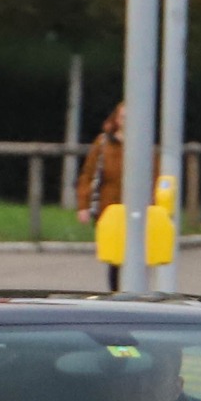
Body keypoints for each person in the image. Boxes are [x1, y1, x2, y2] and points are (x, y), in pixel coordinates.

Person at [76, 103, 126, 289]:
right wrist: (83, 205)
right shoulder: (104, 143)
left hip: (137, 209)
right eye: (122, 117)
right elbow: (88, 175)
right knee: (115, 258)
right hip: (108, 208)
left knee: (135, 256)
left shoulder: (143, 144)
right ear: (115, 119)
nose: (126, 122)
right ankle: (116, 295)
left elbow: (154, 176)